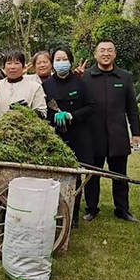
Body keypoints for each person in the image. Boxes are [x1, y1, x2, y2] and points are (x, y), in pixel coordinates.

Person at [82, 39, 140, 223]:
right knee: (92, 174)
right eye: (102, 50)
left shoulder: (124, 77)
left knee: (120, 175)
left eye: (110, 50)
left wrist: (136, 133)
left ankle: (122, 209)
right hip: (93, 135)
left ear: (115, 54)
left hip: (118, 135)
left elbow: (132, 108)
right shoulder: (85, 77)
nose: (106, 53)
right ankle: (91, 208)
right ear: (95, 54)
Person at [42, 47, 94, 227]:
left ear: (70, 62)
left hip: (78, 134)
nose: (61, 62)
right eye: (57, 59)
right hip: (56, 135)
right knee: (54, 174)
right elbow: (43, 109)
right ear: (53, 63)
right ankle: (54, 212)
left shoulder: (80, 83)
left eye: (64, 59)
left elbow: (90, 107)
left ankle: (73, 216)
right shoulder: (47, 85)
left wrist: (73, 115)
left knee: (75, 176)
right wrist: (53, 116)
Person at [0, 51, 46, 120]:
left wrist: (27, 111)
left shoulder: (35, 87)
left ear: (23, 67)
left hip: (26, 126)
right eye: (9, 63)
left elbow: (42, 113)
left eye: (17, 63)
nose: (12, 67)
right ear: (4, 68)